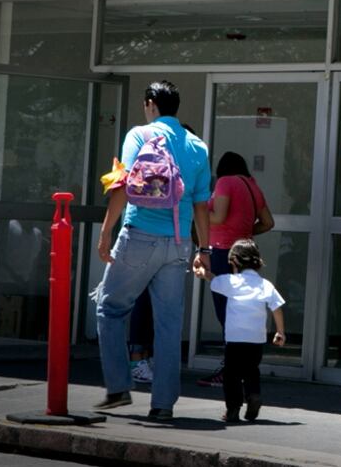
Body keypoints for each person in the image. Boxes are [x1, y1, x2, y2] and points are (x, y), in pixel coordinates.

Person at [93, 80, 211, 420]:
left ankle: (118, 387)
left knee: (110, 307)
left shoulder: (139, 136)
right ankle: (162, 406)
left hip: (139, 236)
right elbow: (202, 204)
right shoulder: (197, 146)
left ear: (150, 104)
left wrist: (104, 234)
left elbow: (121, 187)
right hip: (178, 244)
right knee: (170, 326)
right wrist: (204, 248)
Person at [197, 152, 275, 388]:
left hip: (223, 253)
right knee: (241, 312)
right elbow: (268, 222)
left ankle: (230, 370)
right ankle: (243, 370)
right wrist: (245, 234)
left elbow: (218, 216)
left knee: (226, 314)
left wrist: (197, 213)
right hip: (245, 253)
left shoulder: (225, 182)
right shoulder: (253, 186)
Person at [200, 239, 286, 423]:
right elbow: (277, 307)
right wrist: (280, 331)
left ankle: (233, 409)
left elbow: (212, 279)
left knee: (231, 374)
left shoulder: (231, 281)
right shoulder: (265, 284)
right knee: (251, 371)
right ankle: (253, 396)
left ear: (235, 262)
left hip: (235, 338)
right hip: (256, 339)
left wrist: (202, 272)